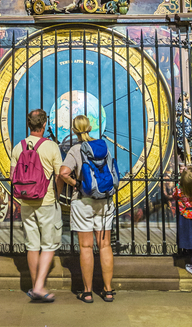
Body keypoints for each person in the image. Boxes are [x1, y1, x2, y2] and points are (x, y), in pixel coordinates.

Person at [59, 115, 116, 303]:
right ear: (90, 128)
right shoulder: (102, 146)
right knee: (105, 245)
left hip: (83, 201)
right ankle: (108, 290)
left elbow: (63, 172)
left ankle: (88, 291)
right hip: (104, 201)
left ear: (74, 130)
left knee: (86, 247)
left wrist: (76, 183)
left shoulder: (75, 149)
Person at [10, 109, 64, 303]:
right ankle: (40, 286)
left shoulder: (19, 147)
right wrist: (56, 193)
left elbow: (12, 176)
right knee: (48, 245)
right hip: (46, 200)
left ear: (28, 124)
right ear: (44, 125)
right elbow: (60, 175)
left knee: (32, 245)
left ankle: (34, 286)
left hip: (25, 201)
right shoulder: (51, 147)